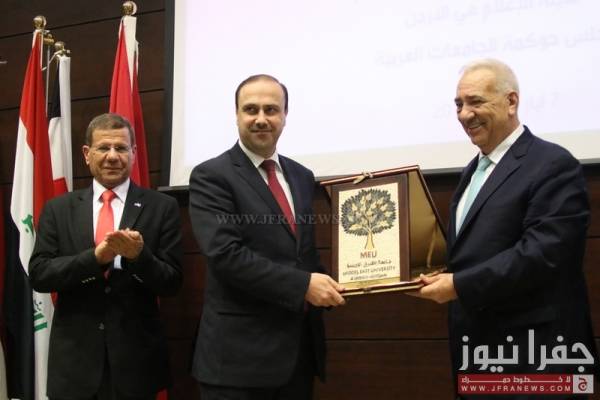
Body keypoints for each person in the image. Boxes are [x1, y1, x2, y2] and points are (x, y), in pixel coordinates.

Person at [411, 59, 598, 396]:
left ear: (511, 102)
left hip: (538, 357)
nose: (464, 114)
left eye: (476, 102)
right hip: (479, 353)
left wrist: (458, 285)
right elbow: (470, 255)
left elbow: (543, 255)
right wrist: (424, 275)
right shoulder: (473, 171)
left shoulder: (553, 164)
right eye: (458, 104)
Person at [189, 74, 346, 400]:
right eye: (251, 109)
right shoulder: (211, 175)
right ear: (236, 115)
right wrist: (304, 286)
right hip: (237, 364)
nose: (261, 118)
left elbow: (304, 256)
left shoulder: (301, 176)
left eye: (271, 110)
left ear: (285, 116)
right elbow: (226, 255)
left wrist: (349, 282)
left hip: (297, 358)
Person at [29, 113, 183, 400]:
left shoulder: (162, 207)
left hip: (136, 366)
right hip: (75, 365)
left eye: (121, 148)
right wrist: (95, 259)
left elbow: (172, 283)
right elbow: (40, 274)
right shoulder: (58, 209)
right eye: (103, 148)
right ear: (87, 154)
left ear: (134, 153)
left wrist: (139, 256)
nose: (112, 156)